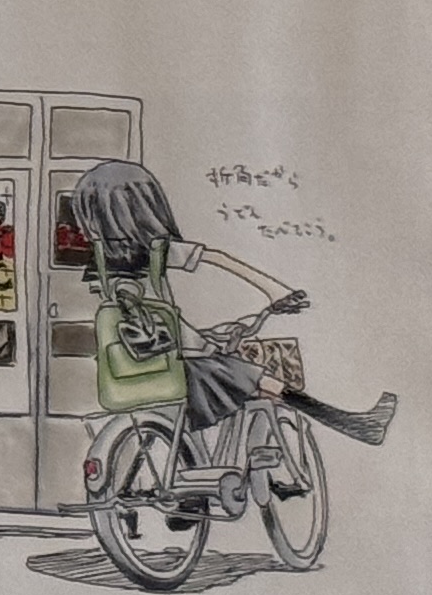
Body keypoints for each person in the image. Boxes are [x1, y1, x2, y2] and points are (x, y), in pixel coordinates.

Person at [60, 156, 397, 451]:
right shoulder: (157, 251)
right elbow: (213, 262)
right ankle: (350, 424)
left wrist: (204, 337)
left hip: (130, 377)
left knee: (227, 371)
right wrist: (276, 291)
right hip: (175, 371)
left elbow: (140, 321)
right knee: (258, 377)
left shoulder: (101, 265)